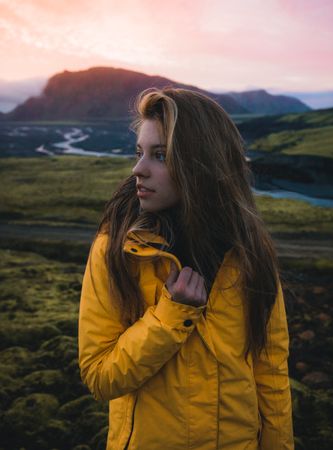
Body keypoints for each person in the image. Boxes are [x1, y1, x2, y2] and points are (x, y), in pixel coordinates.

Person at [78, 87, 294, 450]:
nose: (138, 169)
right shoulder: (117, 249)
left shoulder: (249, 252)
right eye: (139, 153)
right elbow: (100, 377)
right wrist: (169, 318)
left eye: (159, 155)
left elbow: (270, 372)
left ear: (203, 164)